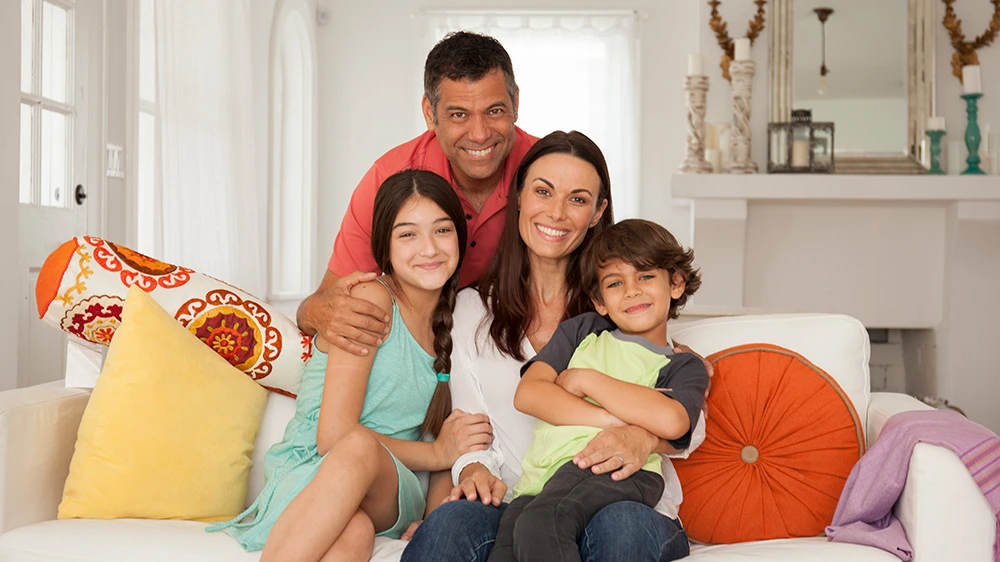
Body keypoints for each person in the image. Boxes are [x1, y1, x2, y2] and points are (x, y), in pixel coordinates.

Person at [402, 131, 701, 562]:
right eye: (543, 191)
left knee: (619, 528)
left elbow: (687, 421)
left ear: (598, 212)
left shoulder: (621, 303)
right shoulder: (470, 310)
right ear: (519, 196)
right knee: (449, 527)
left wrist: (642, 439)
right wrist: (472, 471)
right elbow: (473, 433)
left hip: (618, 498)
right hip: (517, 497)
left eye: (578, 199)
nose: (556, 213)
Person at [206, 170, 493, 561]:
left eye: (442, 231)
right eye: (408, 234)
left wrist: (435, 516)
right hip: (311, 470)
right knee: (353, 531)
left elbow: (448, 430)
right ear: (385, 247)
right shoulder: (372, 302)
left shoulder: (461, 318)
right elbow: (334, 435)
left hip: (388, 489)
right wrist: (438, 454)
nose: (429, 249)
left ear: (459, 237)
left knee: (359, 454)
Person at [296, 31, 537, 356]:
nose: (479, 134)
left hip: (517, 351)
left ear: (516, 103)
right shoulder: (390, 177)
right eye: (458, 115)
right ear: (429, 113)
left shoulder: (547, 170)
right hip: (422, 354)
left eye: (494, 111)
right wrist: (319, 313)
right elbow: (319, 306)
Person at [486, 219, 709, 562]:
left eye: (645, 276)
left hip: (616, 468)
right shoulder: (583, 331)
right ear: (600, 300)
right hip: (542, 476)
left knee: (542, 522)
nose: (632, 290)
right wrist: (612, 419)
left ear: (676, 283)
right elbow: (529, 395)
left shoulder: (682, 365)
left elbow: (674, 422)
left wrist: (587, 380)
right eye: (616, 283)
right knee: (507, 548)